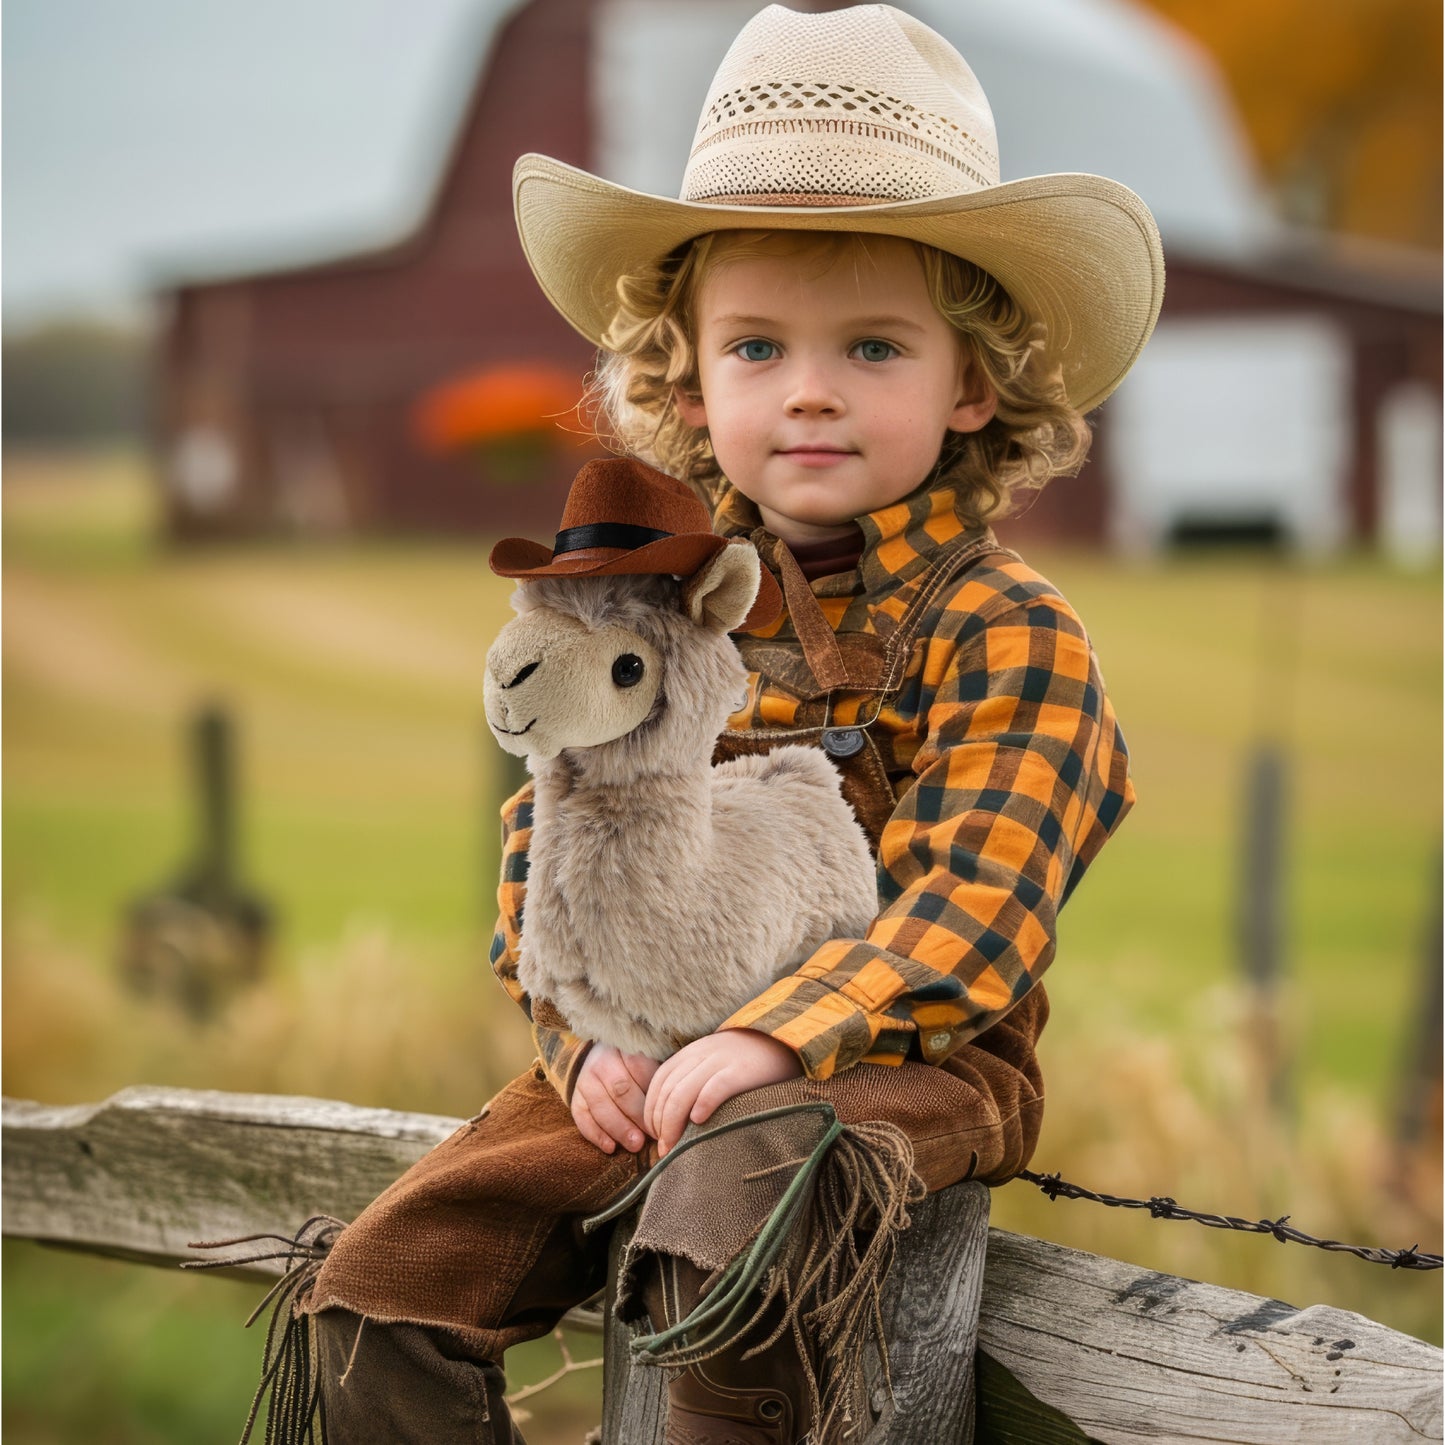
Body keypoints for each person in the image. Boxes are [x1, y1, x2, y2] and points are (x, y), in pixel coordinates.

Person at [236, 5, 1162, 1442]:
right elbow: (552, 834)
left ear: (969, 380)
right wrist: (576, 1044)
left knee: (729, 1210)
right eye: (753, 348)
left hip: (901, 1059)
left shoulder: (1004, 630)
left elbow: (973, 914)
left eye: (869, 346)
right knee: (385, 1288)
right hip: (644, 1045)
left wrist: (776, 1041)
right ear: (683, 377)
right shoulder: (649, 609)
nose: (805, 388)